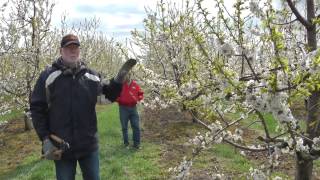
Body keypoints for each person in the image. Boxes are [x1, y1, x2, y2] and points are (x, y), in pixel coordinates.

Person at [30, 34, 136, 180]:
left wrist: (118, 81)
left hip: (88, 145)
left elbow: (106, 97)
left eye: (76, 47)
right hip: (62, 147)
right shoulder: (48, 76)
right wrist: (45, 138)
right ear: (61, 51)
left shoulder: (91, 76)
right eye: (69, 48)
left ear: (79, 51)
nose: (73, 51)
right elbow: (37, 107)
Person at [116, 72, 144, 149]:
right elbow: (115, 95)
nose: (124, 77)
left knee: (136, 126)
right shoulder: (120, 85)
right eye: (124, 76)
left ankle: (137, 144)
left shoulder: (135, 85)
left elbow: (140, 93)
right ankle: (126, 144)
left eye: (126, 76)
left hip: (133, 108)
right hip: (123, 108)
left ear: (129, 76)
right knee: (124, 127)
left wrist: (140, 99)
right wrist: (119, 100)